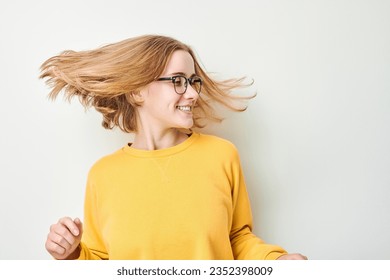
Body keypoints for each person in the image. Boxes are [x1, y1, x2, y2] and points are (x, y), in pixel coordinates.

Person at [40, 34, 307, 260]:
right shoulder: (103, 174)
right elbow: (101, 260)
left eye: (193, 81)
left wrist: (276, 260)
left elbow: (237, 239)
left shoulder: (221, 156)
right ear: (136, 92)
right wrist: (72, 253)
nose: (192, 93)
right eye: (178, 80)